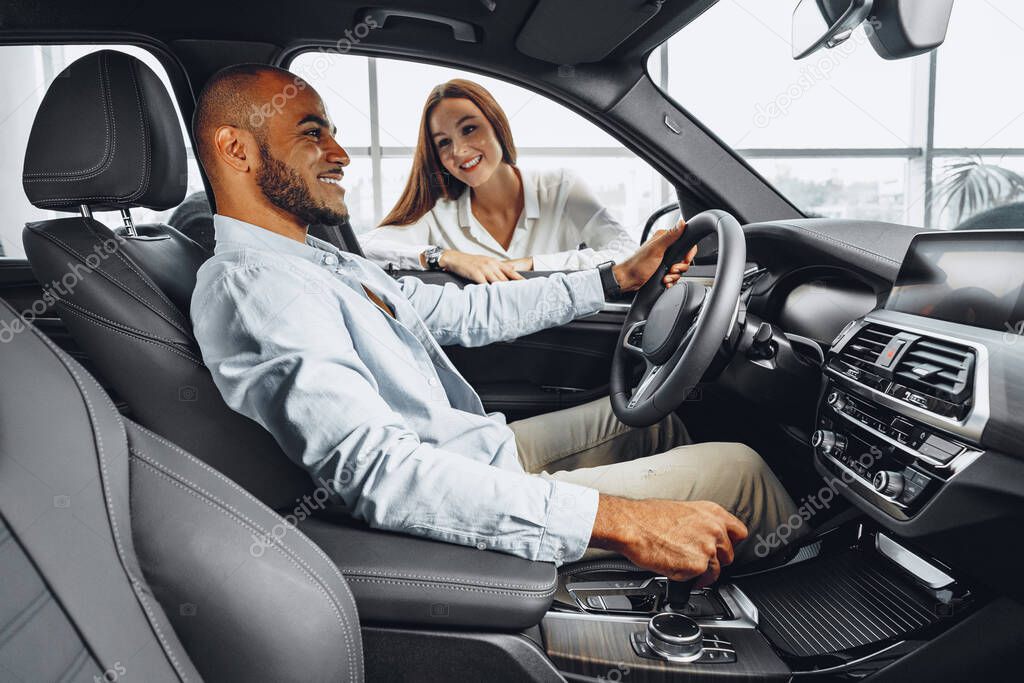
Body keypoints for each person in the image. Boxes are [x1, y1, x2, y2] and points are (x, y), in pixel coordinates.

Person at [190, 64, 804, 585]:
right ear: (237, 149)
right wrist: (624, 522)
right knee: (740, 471)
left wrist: (614, 281)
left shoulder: (317, 262)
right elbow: (379, 473)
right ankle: (812, 618)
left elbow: (466, 311)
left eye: (335, 133)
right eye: (312, 133)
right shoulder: (258, 286)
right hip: (438, 511)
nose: (341, 154)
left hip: (471, 453)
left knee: (655, 420)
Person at [360, 79, 639, 284]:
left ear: (497, 125)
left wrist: (529, 265)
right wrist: (446, 257)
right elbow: (364, 248)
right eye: (444, 143)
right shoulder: (438, 212)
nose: (458, 151)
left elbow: (625, 253)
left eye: (469, 129)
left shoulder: (560, 188)